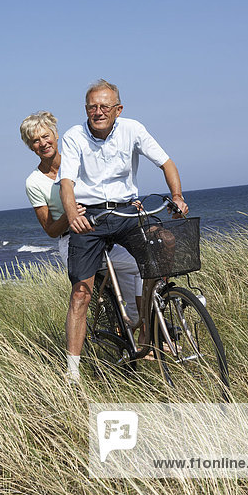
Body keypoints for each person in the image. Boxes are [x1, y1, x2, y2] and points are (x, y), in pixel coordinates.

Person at [59, 79, 188, 382]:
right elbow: (67, 182)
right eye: (93, 106)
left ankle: (147, 326)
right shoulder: (74, 135)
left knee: (164, 242)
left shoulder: (133, 129)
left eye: (105, 106)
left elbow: (166, 162)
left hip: (127, 210)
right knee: (81, 294)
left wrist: (177, 196)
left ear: (118, 109)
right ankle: (72, 373)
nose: (98, 111)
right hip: (90, 217)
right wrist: (71, 213)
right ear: (86, 109)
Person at [19, 110, 142, 326]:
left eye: (45, 136)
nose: (43, 143)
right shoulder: (34, 182)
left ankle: (142, 334)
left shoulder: (79, 158)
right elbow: (51, 230)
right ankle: (118, 332)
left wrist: (127, 204)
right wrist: (70, 214)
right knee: (89, 293)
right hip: (72, 239)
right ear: (30, 147)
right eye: (35, 141)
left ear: (56, 135)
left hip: (105, 229)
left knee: (140, 266)